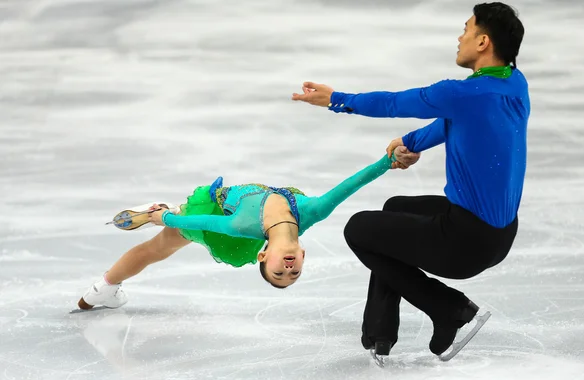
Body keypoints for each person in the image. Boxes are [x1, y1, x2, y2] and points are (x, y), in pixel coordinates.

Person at [291, 2, 528, 362]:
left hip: (465, 243)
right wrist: (410, 144)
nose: (460, 36)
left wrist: (336, 100)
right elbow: (456, 121)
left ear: (483, 42)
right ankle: (380, 333)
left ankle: (450, 309)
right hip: (498, 234)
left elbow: (393, 103)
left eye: (466, 29)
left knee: (358, 228)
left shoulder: (462, 94)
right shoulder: (513, 83)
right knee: (395, 209)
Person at [77, 151, 417, 310]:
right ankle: (104, 288)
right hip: (226, 216)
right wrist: (391, 160)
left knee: (159, 248)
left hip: (213, 213)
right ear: (302, 255)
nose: (288, 270)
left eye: (279, 273)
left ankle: (101, 288)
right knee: (158, 248)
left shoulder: (242, 225)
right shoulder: (313, 211)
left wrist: (165, 217)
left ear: (263, 255)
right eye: (294, 272)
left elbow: (204, 223)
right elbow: (352, 184)